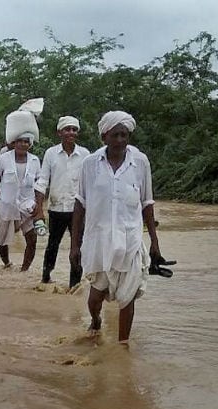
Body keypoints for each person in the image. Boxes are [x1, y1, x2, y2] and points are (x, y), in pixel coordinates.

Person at [70, 111, 164, 343]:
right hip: (99, 241)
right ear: (104, 137)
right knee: (95, 297)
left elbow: (147, 202)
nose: (121, 140)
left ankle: (123, 348)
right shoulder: (90, 164)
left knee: (127, 297)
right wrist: (75, 245)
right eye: (116, 135)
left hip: (130, 241)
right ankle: (96, 319)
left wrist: (154, 240)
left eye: (125, 135)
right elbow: (80, 203)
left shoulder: (140, 162)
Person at [35, 116, 91, 287]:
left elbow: (91, 183)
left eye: (74, 129)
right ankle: (46, 277)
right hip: (57, 208)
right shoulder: (51, 154)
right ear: (59, 132)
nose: (71, 132)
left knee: (78, 247)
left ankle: (74, 284)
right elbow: (43, 181)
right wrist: (39, 210)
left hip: (78, 209)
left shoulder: (86, 155)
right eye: (67, 129)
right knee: (53, 244)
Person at [0, 133, 43, 271]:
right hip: (7, 205)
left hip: (28, 205)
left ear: (30, 144)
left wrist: (39, 205)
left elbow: (40, 184)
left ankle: (24, 270)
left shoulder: (35, 161)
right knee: (2, 241)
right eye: (19, 141)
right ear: (14, 143)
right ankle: (7, 264)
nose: (23, 144)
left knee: (32, 239)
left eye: (26, 142)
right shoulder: (4, 159)